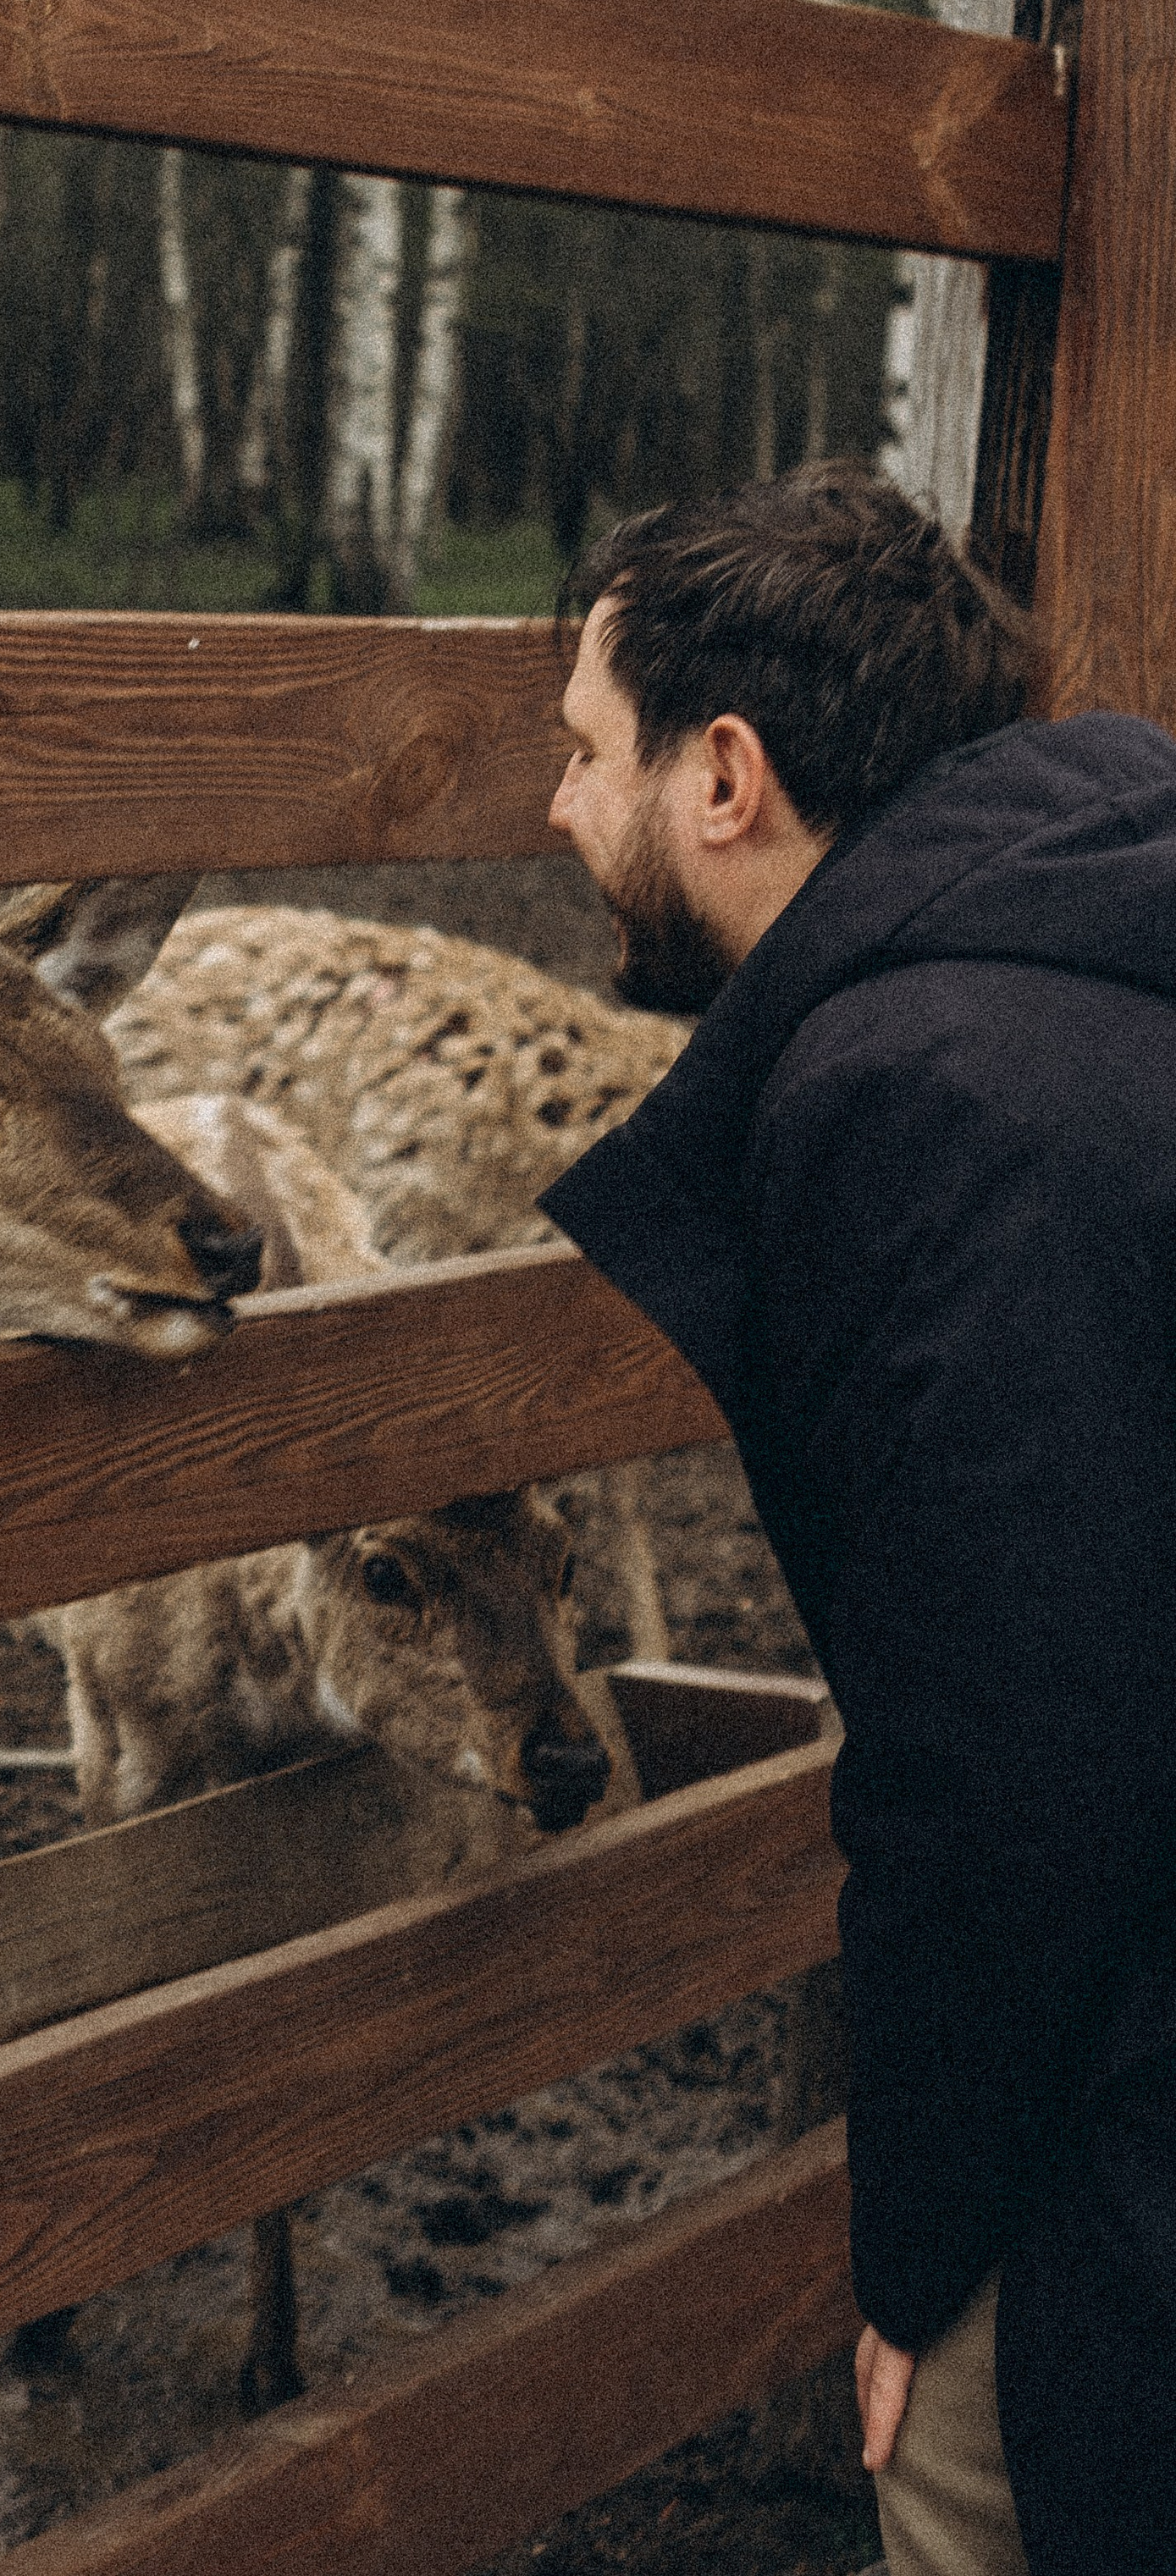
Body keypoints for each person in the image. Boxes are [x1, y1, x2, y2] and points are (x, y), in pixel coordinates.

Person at [538, 463, 1176, 2576]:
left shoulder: (915, 1097)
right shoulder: (1106, 941)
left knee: (983, 2489)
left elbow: (1010, 1760)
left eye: (579, 749)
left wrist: (912, 2264)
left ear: (721, 776)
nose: (554, 815)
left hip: (1130, 2076)